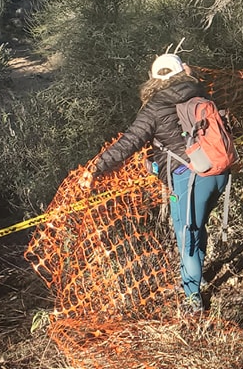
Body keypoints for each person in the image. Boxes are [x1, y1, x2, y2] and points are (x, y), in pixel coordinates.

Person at [77, 51, 228, 313]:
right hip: (219, 173)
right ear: (182, 71)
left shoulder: (155, 107)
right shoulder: (200, 92)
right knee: (197, 228)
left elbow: (129, 142)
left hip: (188, 178)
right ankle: (198, 278)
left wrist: (97, 167)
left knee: (186, 237)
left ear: (153, 78)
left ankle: (192, 299)